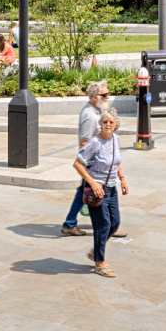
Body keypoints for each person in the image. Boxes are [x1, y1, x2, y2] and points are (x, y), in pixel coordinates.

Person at [74, 110, 128, 278]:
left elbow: (117, 161)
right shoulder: (95, 143)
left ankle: (96, 251)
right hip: (97, 190)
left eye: (111, 122)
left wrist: (123, 178)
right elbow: (77, 164)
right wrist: (92, 182)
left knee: (115, 223)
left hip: (111, 188)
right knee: (103, 224)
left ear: (116, 124)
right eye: (105, 121)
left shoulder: (115, 139)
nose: (108, 124)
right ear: (101, 124)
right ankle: (100, 262)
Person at [60, 82, 112, 235]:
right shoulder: (90, 115)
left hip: (95, 160)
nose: (107, 97)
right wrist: (90, 164)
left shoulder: (97, 111)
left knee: (84, 191)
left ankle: (70, 222)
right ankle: (108, 222)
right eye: (104, 95)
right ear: (94, 97)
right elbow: (85, 141)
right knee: (97, 190)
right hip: (92, 162)